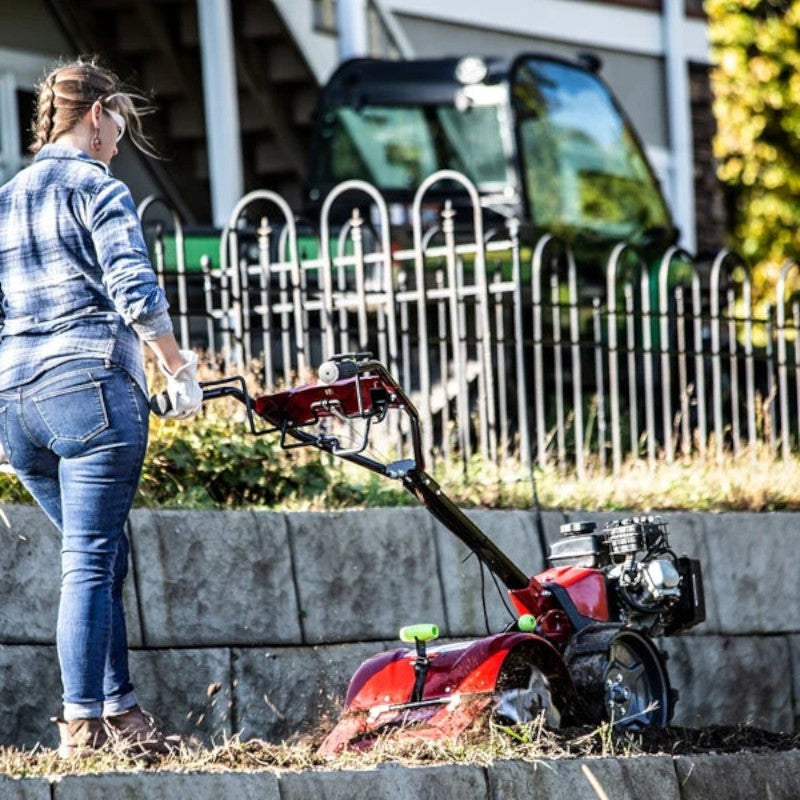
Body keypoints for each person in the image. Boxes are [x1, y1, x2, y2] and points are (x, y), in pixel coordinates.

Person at [0, 58, 203, 758]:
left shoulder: (8, 197)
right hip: (89, 390)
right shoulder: (96, 185)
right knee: (89, 560)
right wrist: (178, 368)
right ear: (95, 115)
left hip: (18, 405)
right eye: (118, 119)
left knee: (100, 554)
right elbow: (132, 283)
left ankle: (122, 715)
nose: (120, 134)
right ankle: (81, 725)